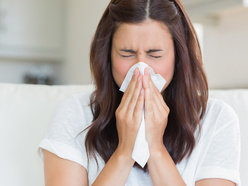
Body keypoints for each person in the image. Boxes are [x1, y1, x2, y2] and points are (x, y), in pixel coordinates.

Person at [38, 0, 240, 185]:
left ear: (178, 57)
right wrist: (125, 152)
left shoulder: (217, 119)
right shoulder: (74, 113)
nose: (141, 69)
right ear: (107, 56)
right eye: (127, 54)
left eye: (155, 54)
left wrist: (155, 149)